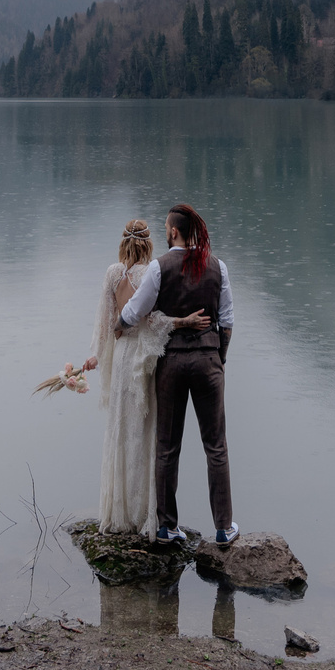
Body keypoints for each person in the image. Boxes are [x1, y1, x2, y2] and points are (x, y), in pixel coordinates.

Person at [78, 218, 209, 532]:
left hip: (122, 357)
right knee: (145, 433)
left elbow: (108, 321)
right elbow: (152, 321)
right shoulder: (152, 272)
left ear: (123, 242)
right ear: (148, 243)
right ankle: (143, 515)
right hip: (143, 361)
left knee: (120, 432)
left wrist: (96, 355)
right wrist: (183, 322)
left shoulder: (112, 273)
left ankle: (116, 513)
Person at [117, 202, 235, 545]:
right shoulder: (218, 267)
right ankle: (224, 528)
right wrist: (218, 357)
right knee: (216, 446)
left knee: (167, 446)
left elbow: (134, 312)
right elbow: (226, 322)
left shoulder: (159, 267)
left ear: (172, 231)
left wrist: (116, 325)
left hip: (171, 364)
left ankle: (168, 526)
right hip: (208, 362)